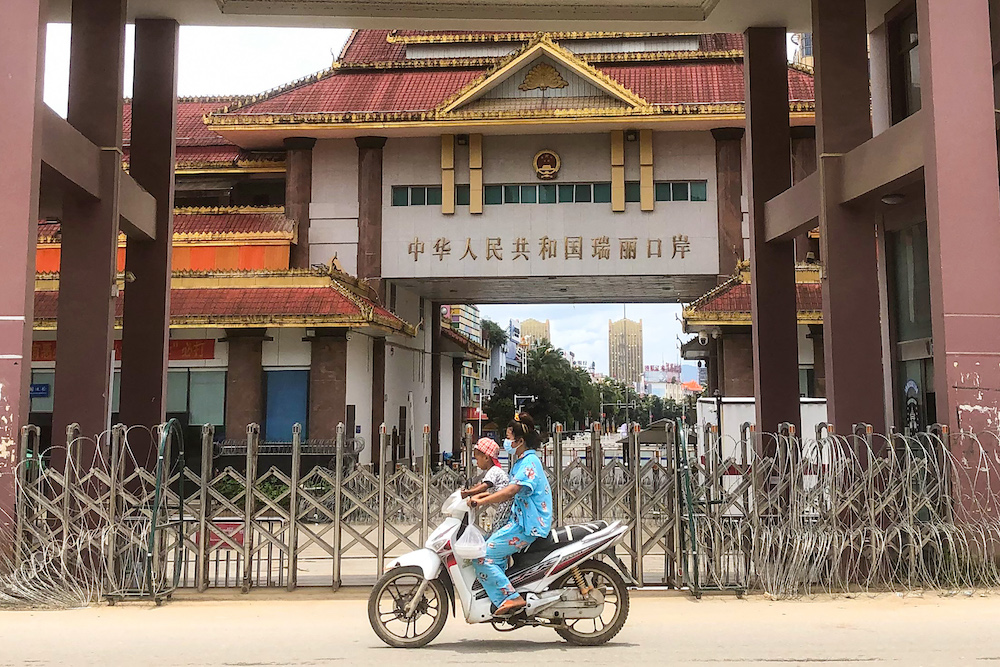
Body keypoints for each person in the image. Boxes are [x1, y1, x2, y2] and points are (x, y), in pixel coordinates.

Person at [468, 412, 552, 617]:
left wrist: (483, 500)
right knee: (489, 549)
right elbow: (506, 491)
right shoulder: (522, 461)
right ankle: (499, 593)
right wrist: (481, 497)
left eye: (508, 437)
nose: (506, 442)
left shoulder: (529, 463)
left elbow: (511, 491)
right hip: (518, 521)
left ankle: (510, 598)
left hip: (527, 525)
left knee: (481, 554)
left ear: (520, 441)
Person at [461, 438, 512, 531]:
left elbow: (484, 487)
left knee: (498, 527)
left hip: (504, 505)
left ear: (486, 458)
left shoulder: (493, 470)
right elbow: (481, 485)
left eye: (477, 459)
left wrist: (468, 492)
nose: (476, 463)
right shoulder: (490, 471)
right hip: (502, 503)